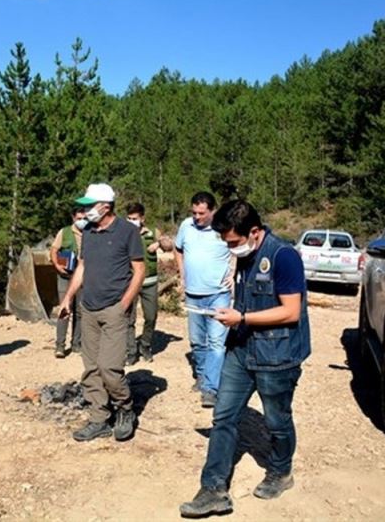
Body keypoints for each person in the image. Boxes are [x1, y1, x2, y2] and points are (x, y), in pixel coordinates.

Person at [179, 200, 310, 518]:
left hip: (277, 355)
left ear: (254, 232)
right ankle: (213, 489)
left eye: (233, 242)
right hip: (242, 350)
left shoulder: (284, 256)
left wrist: (242, 317)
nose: (230, 248)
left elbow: (291, 312)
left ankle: (281, 472)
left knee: (277, 421)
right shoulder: (245, 254)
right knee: (223, 418)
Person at [59, 183, 145, 442]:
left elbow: (139, 271)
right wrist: (68, 298)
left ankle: (125, 408)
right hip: (88, 309)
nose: (84, 210)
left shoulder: (127, 232)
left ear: (105, 206)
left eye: (89, 205)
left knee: (110, 367)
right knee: (91, 369)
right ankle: (99, 419)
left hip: (114, 310)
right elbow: (82, 267)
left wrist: (124, 303)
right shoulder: (88, 232)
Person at [175, 192, 233, 408]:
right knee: (197, 341)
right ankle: (201, 375)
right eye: (194, 212)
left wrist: (233, 273)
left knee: (216, 343)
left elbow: (239, 250)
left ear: (213, 211)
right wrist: (182, 274)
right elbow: (178, 249)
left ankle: (211, 388)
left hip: (218, 294)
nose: (197, 217)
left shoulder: (223, 229)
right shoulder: (186, 226)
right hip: (193, 294)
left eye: (201, 213)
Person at [124, 202, 173, 365]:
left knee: (151, 316)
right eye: (129, 218)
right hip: (129, 282)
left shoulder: (153, 232)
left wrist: (159, 243)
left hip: (150, 282)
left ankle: (145, 345)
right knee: (128, 319)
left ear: (142, 218)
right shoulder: (123, 233)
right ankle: (130, 351)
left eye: (135, 218)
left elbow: (169, 246)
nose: (132, 221)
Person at [49, 206, 87, 358]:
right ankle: (60, 345)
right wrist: (57, 265)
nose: (82, 221)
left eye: (84, 218)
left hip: (84, 278)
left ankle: (77, 344)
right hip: (65, 277)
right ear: (73, 218)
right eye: (79, 218)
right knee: (64, 310)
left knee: (80, 312)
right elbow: (53, 250)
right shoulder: (64, 232)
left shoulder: (90, 232)